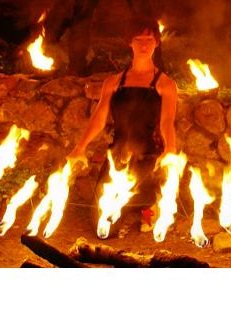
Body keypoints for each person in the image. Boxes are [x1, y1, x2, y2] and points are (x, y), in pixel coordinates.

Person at [67, 16, 178, 229]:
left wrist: (170, 149)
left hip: (147, 156)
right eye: (138, 39)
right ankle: (129, 212)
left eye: (149, 39)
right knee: (102, 226)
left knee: (144, 214)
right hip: (117, 155)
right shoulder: (114, 82)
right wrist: (80, 147)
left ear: (157, 42)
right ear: (130, 42)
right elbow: (99, 118)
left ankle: (146, 204)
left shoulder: (165, 84)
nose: (144, 45)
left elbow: (167, 121)